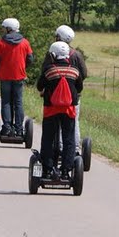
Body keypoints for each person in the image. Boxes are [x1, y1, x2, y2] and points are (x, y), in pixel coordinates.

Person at [38, 41, 84, 180]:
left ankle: (48, 169)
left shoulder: (49, 70)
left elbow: (40, 86)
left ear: (53, 54)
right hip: (68, 110)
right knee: (68, 139)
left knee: (48, 138)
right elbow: (79, 87)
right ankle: (66, 170)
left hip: (51, 109)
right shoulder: (74, 70)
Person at [40, 25, 88, 150]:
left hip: (53, 96)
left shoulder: (52, 53)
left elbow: (44, 72)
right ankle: (75, 149)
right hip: (73, 95)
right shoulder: (77, 54)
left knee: (54, 123)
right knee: (73, 122)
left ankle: (57, 148)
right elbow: (84, 73)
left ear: (59, 37)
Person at [0, 18, 33, 137]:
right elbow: (30, 59)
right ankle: (19, 129)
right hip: (19, 76)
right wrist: (23, 65)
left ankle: (7, 128)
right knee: (18, 102)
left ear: (8, 29)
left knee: (6, 102)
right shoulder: (25, 42)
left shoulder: (1, 43)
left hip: (5, 76)